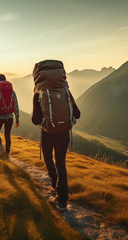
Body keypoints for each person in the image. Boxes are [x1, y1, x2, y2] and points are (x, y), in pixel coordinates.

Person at [31, 60, 80, 211]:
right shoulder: (66, 91)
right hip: (64, 133)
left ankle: (54, 185)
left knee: (48, 158)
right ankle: (63, 199)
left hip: (48, 134)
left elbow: (36, 120)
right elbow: (77, 114)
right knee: (61, 163)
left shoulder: (39, 92)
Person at [0, 74, 19, 160]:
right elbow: (16, 105)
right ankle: (7, 154)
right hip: (10, 117)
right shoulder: (12, 91)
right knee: (7, 135)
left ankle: (1, 150)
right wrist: (17, 119)